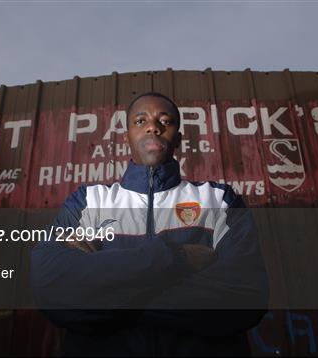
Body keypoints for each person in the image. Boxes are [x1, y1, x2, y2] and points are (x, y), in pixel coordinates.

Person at [31, 92, 269, 356]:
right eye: (140, 120)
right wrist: (177, 258)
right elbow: (51, 286)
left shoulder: (219, 199)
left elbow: (245, 297)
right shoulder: (88, 200)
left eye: (164, 121)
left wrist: (103, 287)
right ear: (126, 137)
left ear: (178, 138)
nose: (153, 126)